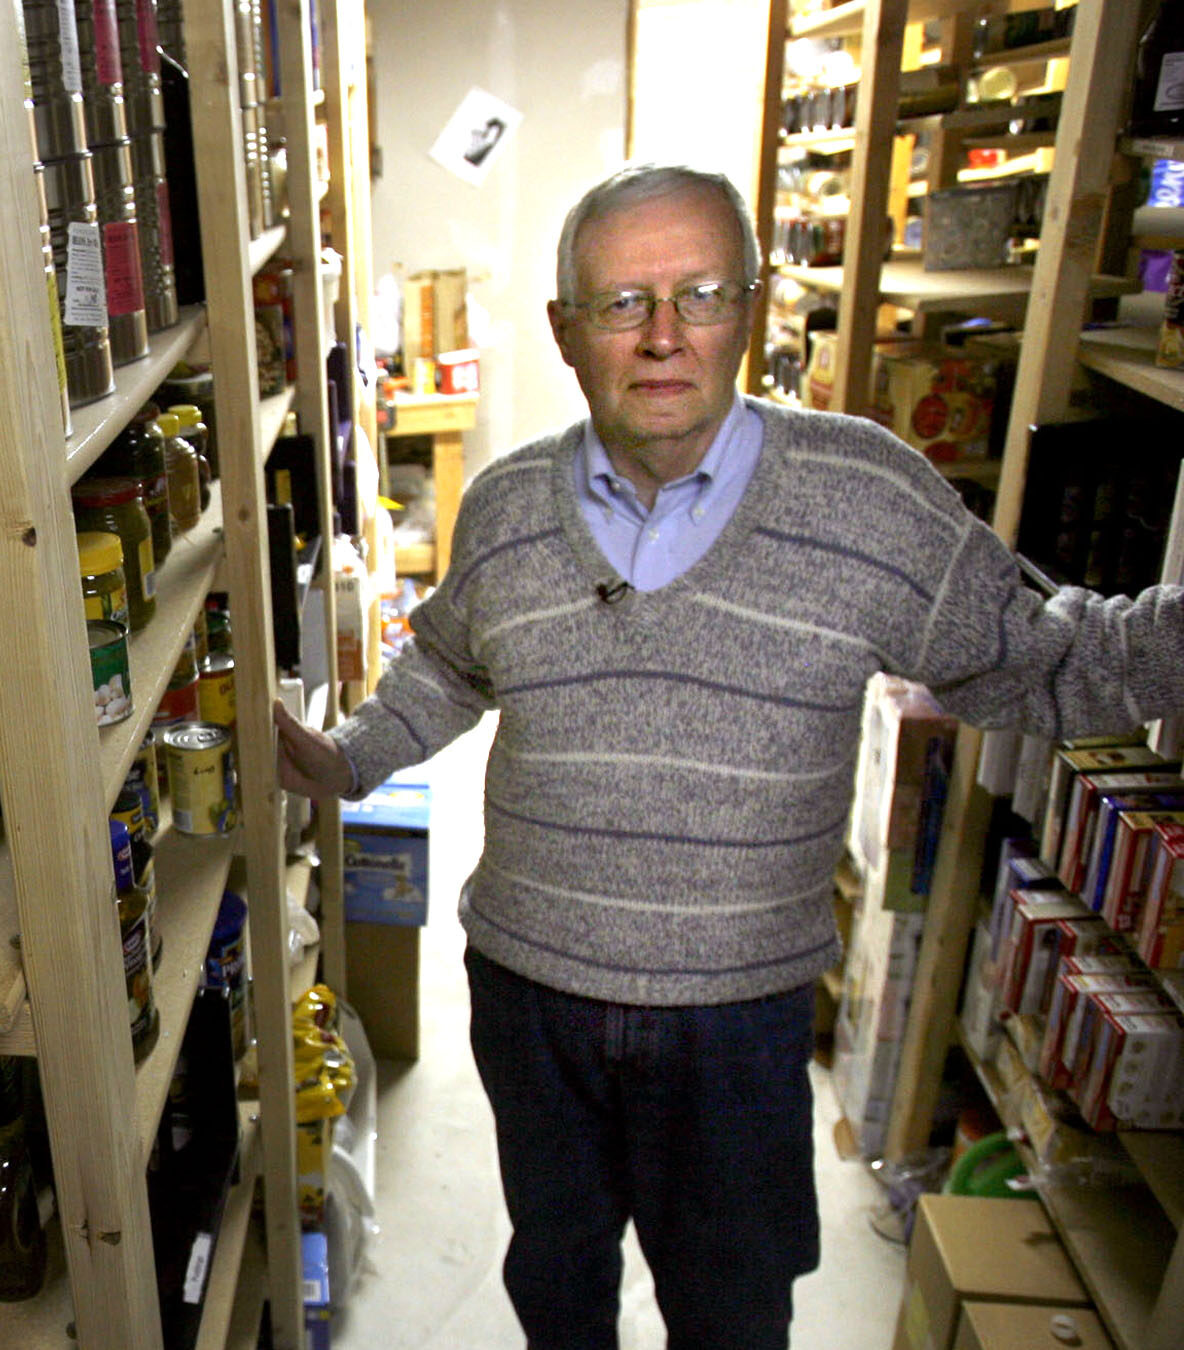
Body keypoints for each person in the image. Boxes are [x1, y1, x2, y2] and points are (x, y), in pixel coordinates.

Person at [275, 162, 1184, 1350]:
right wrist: (341, 760)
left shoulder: (867, 498)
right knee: (555, 1276)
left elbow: (1049, 656)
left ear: (748, 309)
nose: (663, 336)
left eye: (701, 294)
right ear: (564, 331)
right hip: (531, 997)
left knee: (732, 1303)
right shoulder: (502, 509)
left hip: (737, 1019)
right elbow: (449, 664)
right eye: (622, 303)